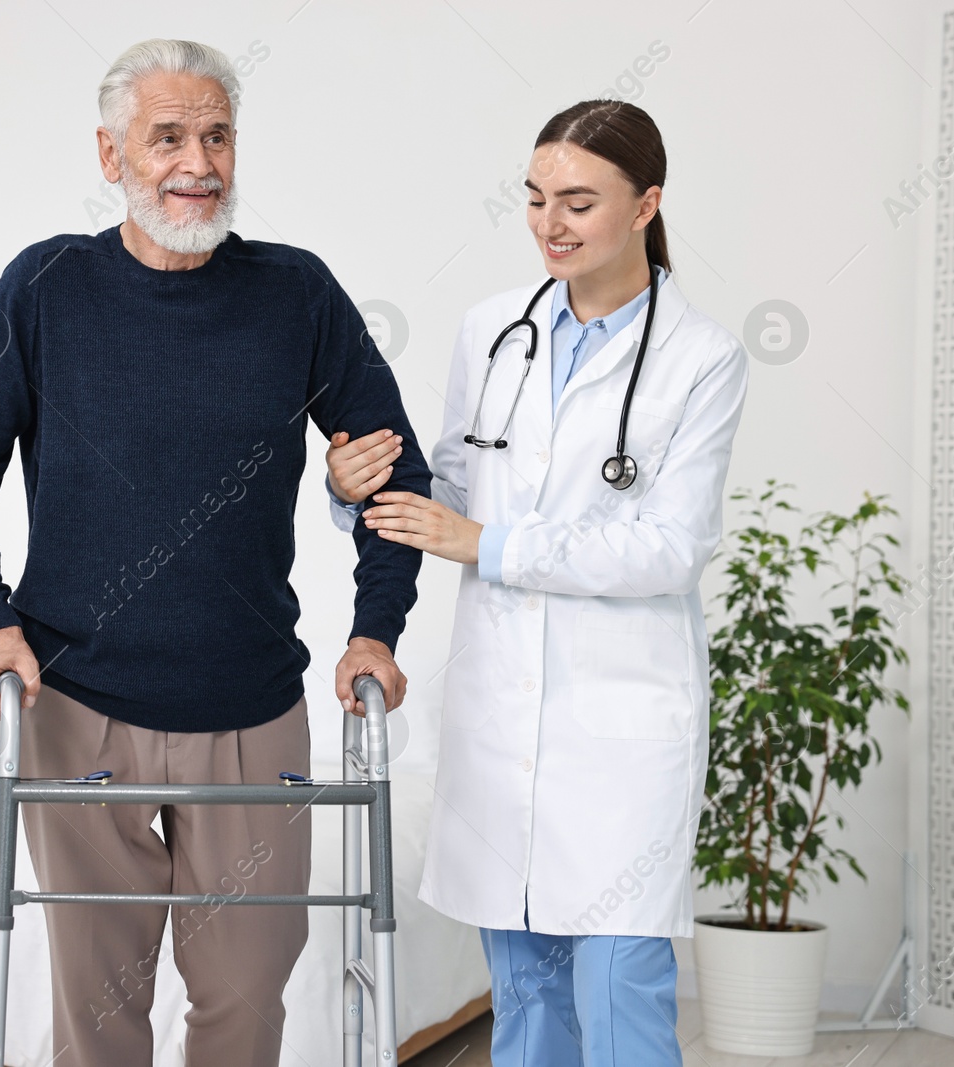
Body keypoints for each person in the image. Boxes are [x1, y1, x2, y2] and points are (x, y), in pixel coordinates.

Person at [0, 39, 431, 1067]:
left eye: (217, 135)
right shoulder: (46, 285)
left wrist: (375, 629)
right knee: (97, 1006)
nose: (196, 161)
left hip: (249, 701)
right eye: (166, 137)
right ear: (111, 156)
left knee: (244, 998)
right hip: (77, 699)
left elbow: (393, 472)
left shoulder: (296, 293)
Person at [323, 100, 750, 1066]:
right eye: (536, 199)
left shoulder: (702, 358)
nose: (551, 223)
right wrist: (353, 493)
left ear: (646, 207)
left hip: (622, 723)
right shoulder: (493, 331)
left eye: (579, 202)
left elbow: (667, 549)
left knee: (620, 992)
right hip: (501, 710)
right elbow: (451, 487)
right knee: (524, 997)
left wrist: (486, 541)